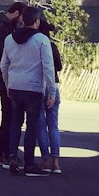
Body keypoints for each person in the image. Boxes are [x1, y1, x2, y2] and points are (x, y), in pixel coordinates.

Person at [0, 4, 56, 177]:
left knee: (16, 122)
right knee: (32, 125)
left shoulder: (9, 39)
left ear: (23, 20)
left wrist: (8, 84)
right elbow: (48, 66)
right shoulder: (41, 40)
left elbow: (4, 65)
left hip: (15, 86)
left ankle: (13, 156)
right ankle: (29, 164)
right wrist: (51, 91)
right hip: (33, 87)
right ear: (37, 21)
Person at [0, 2, 23, 167]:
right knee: (10, 115)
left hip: (2, 74)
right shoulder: (3, 28)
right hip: (4, 76)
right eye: (21, 16)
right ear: (16, 13)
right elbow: (4, 55)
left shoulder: (0, 26)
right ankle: (6, 154)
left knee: (8, 115)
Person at [35, 17, 63, 173]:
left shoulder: (35, 45)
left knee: (41, 126)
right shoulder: (52, 46)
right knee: (53, 126)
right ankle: (56, 162)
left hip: (39, 86)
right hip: (53, 85)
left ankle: (45, 159)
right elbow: (58, 66)